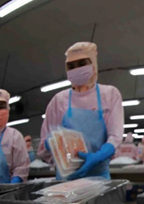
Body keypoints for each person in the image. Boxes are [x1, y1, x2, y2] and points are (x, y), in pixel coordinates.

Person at [39, 42, 123, 179]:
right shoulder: (58, 100)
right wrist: (51, 144)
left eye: (82, 63)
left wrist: (99, 156)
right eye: (71, 66)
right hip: (67, 178)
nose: (76, 69)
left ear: (93, 64)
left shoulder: (109, 95)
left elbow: (115, 136)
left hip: (99, 177)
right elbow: (44, 143)